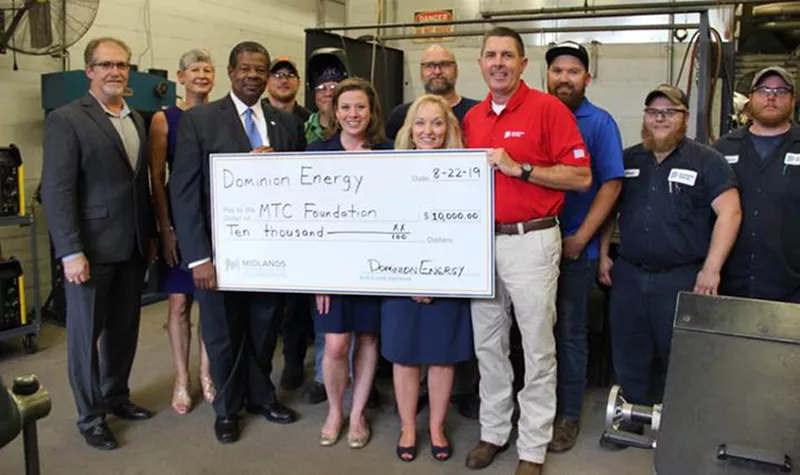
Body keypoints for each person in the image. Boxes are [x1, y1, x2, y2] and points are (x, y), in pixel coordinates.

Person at [462, 27, 592, 475]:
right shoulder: (473, 118)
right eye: (490, 55)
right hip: (482, 243)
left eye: (507, 56)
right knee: (489, 345)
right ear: (480, 64)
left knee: (537, 346)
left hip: (531, 240)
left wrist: (522, 169)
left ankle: (532, 446)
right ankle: (494, 431)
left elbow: (580, 177)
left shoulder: (548, 109)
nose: (498, 63)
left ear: (521, 64)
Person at [170, 41, 305, 444]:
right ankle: (227, 409)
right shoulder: (201, 121)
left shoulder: (286, 125)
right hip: (219, 255)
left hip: (270, 253)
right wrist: (198, 257)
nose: (252, 75)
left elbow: (300, 188)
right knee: (222, 334)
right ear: (230, 72)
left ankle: (262, 397)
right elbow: (185, 191)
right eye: (244, 68)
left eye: (260, 69)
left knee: (265, 329)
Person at [597, 85, 741, 436]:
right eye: (653, 111)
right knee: (629, 350)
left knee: (680, 355)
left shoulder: (707, 161)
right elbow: (610, 208)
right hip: (630, 273)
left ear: (685, 118)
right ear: (645, 117)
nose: (660, 118)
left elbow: (731, 212)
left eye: (669, 112)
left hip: (681, 277)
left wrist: (711, 268)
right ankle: (631, 420)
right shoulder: (630, 159)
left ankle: (680, 430)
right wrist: (603, 254)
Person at [42, 37, 157, 450]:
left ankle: (116, 396)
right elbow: (57, 191)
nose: (115, 72)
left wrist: (149, 237)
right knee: (84, 336)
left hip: (130, 247)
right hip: (89, 250)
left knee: (124, 330)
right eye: (106, 64)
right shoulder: (67, 119)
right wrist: (70, 251)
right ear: (88, 71)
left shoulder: (135, 119)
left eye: (122, 65)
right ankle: (90, 416)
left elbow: (137, 185)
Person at [383, 94, 474, 462]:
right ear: (409, 129)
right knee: (403, 355)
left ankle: (436, 424)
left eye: (437, 123)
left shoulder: (466, 171)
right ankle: (408, 424)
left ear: (449, 128)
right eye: (420, 122)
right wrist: (411, 278)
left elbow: (466, 231)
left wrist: (436, 278)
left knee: (442, 355)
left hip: (448, 278)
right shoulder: (387, 171)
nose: (428, 131)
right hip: (398, 278)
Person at [544, 41, 625, 453]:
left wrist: (582, 238)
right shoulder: (538, 115)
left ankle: (568, 415)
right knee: (534, 332)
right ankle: (538, 407)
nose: (564, 78)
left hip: (575, 249)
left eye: (573, 71)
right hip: (531, 247)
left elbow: (611, 185)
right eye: (557, 70)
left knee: (570, 333)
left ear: (586, 78)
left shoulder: (599, 123)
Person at [309, 77, 392, 450]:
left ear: (371, 111)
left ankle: (357, 413)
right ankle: (334, 410)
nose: (352, 114)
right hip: (330, 267)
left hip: (375, 264)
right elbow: (304, 218)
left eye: (360, 106)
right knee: (336, 345)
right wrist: (317, 277)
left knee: (368, 338)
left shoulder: (389, 152)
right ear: (334, 111)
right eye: (345, 107)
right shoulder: (316, 151)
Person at [149, 48, 216, 415]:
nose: (201, 75)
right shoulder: (164, 119)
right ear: (181, 76)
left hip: (213, 221)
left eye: (207, 69)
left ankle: (207, 374)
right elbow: (157, 178)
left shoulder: (220, 115)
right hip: (178, 218)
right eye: (194, 69)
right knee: (179, 303)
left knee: (210, 300)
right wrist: (166, 228)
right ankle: (180, 377)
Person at [712, 66, 800, 302]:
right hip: (729, 284)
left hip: (791, 288)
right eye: (763, 90)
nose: (771, 96)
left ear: (793, 100)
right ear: (750, 98)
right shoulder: (721, 150)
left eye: (781, 91)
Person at [385, 44, 479, 140]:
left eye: (445, 64)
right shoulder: (400, 115)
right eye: (429, 65)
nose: (437, 71)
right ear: (421, 72)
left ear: (456, 70)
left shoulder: (477, 112)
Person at [305, 49, 350, 145]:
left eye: (334, 88)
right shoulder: (303, 131)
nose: (328, 93)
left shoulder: (354, 128)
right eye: (321, 88)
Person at [266, 56, 311, 122]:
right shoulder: (255, 115)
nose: (284, 81)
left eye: (290, 75)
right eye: (278, 75)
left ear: (299, 83)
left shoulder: (309, 121)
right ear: (267, 82)